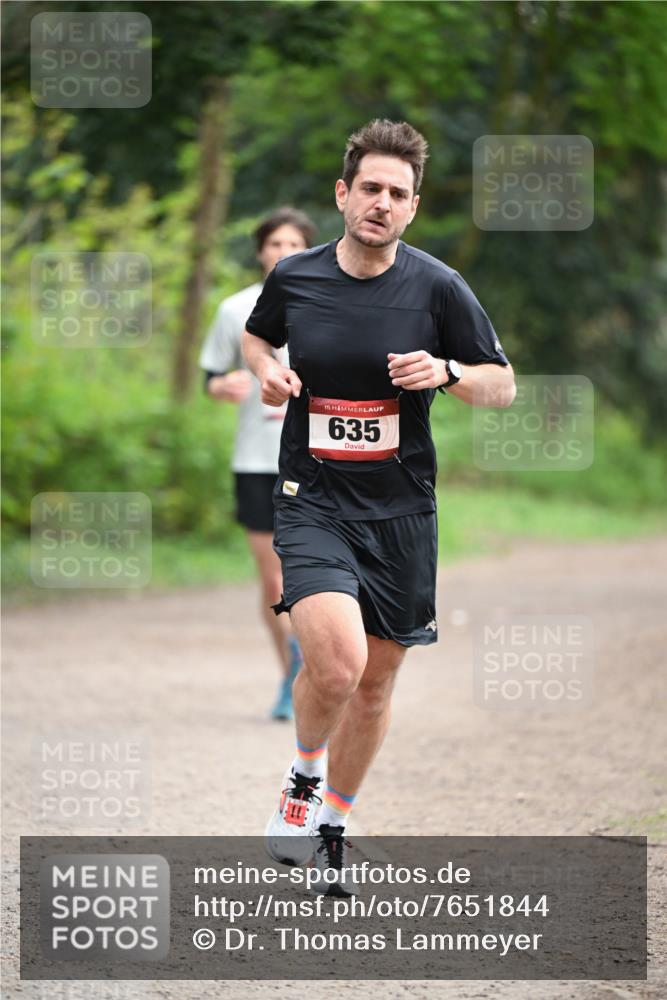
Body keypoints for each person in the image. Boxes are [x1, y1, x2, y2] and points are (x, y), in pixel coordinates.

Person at [242, 120, 516, 894]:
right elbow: (258, 342)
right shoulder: (295, 277)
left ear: (412, 208)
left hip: (400, 511)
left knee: (376, 681)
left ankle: (334, 816)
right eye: (370, 188)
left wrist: (445, 372)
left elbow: (501, 384)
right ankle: (301, 782)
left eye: (397, 194)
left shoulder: (437, 287)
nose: (382, 203)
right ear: (343, 193)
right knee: (337, 666)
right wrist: (266, 373)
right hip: (313, 498)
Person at [200, 207, 316, 720]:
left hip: (317, 462)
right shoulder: (235, 309)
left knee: (311, 580)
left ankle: (320, 670)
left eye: (294, 245)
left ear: (308, 250)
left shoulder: (328, 302)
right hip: (255, 461)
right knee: (274, 584)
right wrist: (220, 385)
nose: (284, 253)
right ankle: (292, 675)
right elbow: (211, 373)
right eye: (275, 245)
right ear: (260, 251)